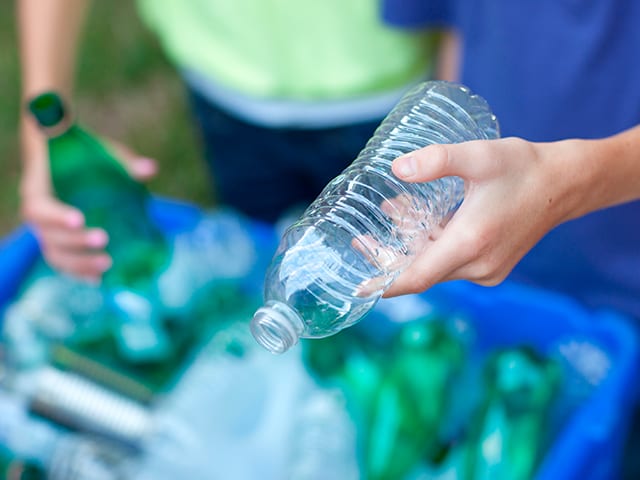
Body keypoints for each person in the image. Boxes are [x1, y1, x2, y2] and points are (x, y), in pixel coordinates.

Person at [381, 1, 640, 478]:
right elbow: (463, 24)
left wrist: (571, 184)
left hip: (622, 272)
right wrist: (448, 166)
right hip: (490, 241)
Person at [17, 0, 444, 281]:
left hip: (389, 90)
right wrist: (45, 136)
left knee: (402, 272)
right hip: (221, 83)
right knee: (266, 255)